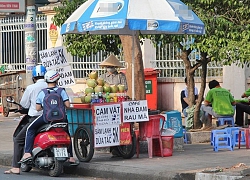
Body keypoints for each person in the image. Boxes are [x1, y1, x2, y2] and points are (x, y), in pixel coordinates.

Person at [20, 70, 78, 165]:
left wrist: (46, 106)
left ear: (46, 80)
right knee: (66, 132)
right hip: (62, 119)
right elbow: (67, 104)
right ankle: (71, 156)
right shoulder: (61, 91)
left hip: (46, 118)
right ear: (57, 80)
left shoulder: (42, 92)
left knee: (30, 129)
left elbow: (37, 108)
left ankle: (27, 153)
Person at [4, 65, 47, 175]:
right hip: (53, 118)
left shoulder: (31, 88)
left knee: (19, 139)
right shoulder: (52, 86)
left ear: (34, 77)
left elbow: (23, 104)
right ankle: (70, 157)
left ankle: (15, 167)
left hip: (36, 117)